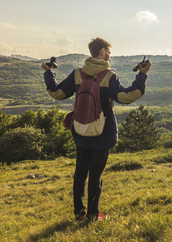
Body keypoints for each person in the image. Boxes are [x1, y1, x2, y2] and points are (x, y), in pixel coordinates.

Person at [41, 37, 151, 222]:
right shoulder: (109, 76)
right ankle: (93, 215)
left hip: (81, 129)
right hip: (102, 132)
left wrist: (49, 72)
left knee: (80, 172)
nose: (109, 56)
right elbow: (127, 96)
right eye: (109, 52)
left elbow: (57, 93)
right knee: (95, 175)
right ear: (102, 52)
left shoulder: (78, 73)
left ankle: (78, 212)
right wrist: (142, 75)